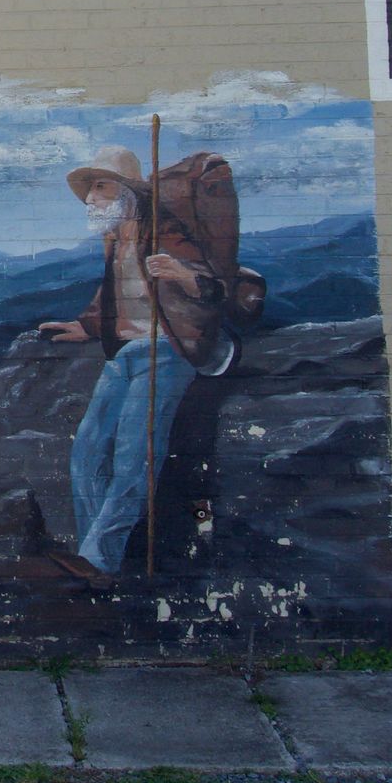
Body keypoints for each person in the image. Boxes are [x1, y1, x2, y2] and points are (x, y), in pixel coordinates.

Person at [38, 146, 228, 585]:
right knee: (86, 451)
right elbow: (113, 298)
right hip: (125, 354)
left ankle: (99, 559)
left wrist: (183, 275)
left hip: (166, 351)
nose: (91, 198)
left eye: (101, 186)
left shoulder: (166, 232)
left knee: (132, 457)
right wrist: (86, 326)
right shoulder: (115, 238)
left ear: (128, 192)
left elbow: (216, 288)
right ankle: (93, 558)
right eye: (89, 189)